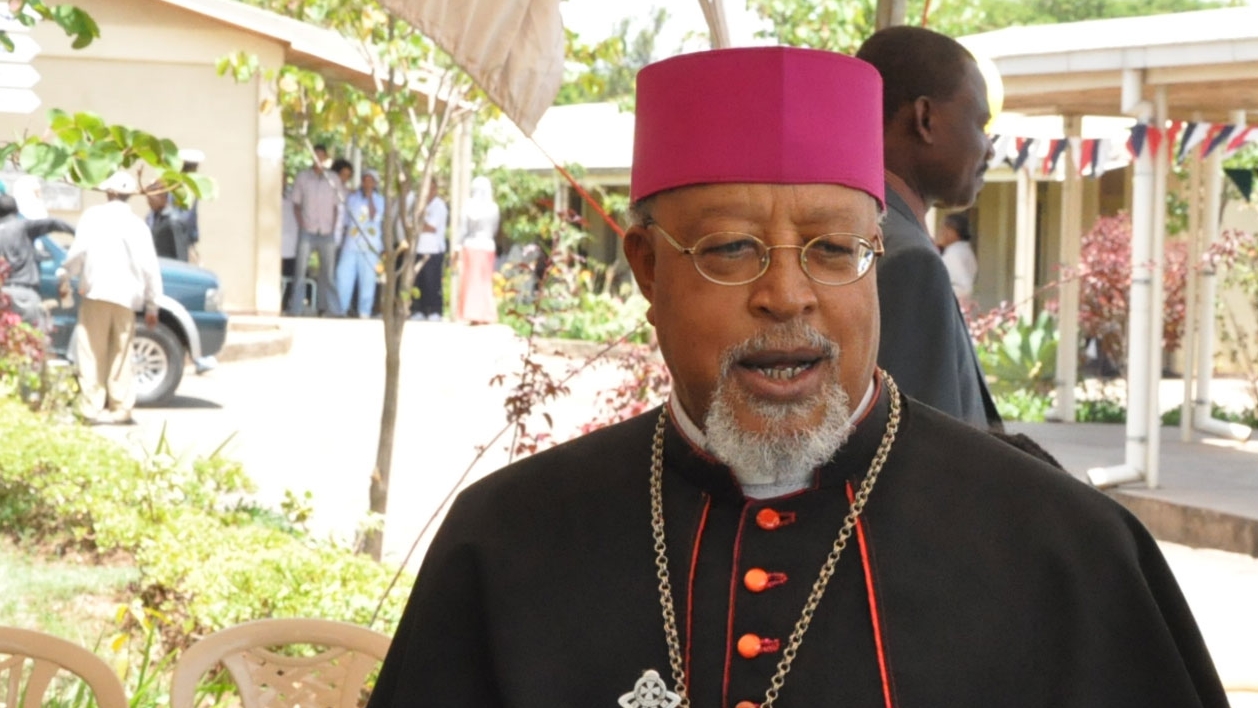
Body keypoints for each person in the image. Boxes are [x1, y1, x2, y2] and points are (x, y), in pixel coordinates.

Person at [368, 47, 1227, 708]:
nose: (787, 296)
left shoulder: (1065, 552)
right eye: (731, 248)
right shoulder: (509, 539)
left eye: (835, 249)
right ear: (646, 269)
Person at [856, 26, 1001, 430]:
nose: (990, 148)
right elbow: (922, 462)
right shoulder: (907, 260)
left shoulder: (856, 230)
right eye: (980, 122)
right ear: (924, 118)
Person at [57, 171, 161, 424]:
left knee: (92, 352)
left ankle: (91, 407)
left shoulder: (93, 217)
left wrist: (65, 274)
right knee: (121, 352)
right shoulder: (138, 225)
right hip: (126, 299)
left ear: (110, 192)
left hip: (96, 293)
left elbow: (77, 252)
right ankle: (120, 407)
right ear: (128, 195)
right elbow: (150, 267)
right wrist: (152, 305)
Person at [0, 194, 75, 331]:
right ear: (16, 211)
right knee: (32, 340)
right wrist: (78, 233)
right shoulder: (23, 226)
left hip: (3, 296)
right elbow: (53, 223)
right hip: (26, 295)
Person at [286, 145, 344, 317]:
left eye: (321, 156)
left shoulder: (333, 178)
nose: (318, 159)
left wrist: (333, 226)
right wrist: (302, 223)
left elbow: (337, 205)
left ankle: (331, 309)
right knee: (300, 270)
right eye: (315, 155)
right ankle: (296, 309)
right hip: (308, 230)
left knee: (328, 273)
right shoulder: (303, 178)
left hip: (327, 231)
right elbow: (296, 204)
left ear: (326, 158)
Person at [336, 168, 384, 318]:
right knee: (343, 276)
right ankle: (341, 309)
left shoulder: (380, 200)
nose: (367, 183)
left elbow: (374, 216)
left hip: (370, 246)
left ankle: (364, 311)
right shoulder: (352, 198)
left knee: (367, 279)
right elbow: (344, 219)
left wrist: (370, 198)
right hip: (351, 243)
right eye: (365, 180)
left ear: (375, 183)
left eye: (371, 181)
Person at [456, 175, 499, 324]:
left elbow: (463, 229)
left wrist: (457, 245)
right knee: (484, 281)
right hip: (487, 246)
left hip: (472, 245)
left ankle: (473, 314)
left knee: (471, 280)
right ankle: (485, 314)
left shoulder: (468, 206)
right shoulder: (493, 207)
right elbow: (494, 228)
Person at [410, 179, 447, 322]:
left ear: (436, 189)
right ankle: (419, 310)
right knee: (418, 281)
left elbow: (431, 227)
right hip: (418, 248)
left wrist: (417, 223)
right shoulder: (417, 204)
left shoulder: (439, 206)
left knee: (433, 282)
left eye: (432, 188)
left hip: (433, 249)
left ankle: (434, 310)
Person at [938, 212, 978, 306]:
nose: (941, 233)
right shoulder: (965, 251)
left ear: (953, 231)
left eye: (944, 229)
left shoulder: (953, 254)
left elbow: (964, 287)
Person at [145, 183, 191, 261]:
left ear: (161, 196)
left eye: (151, 199)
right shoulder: (155, 219)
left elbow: (181, 255)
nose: (149, 203)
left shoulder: (173, 222)